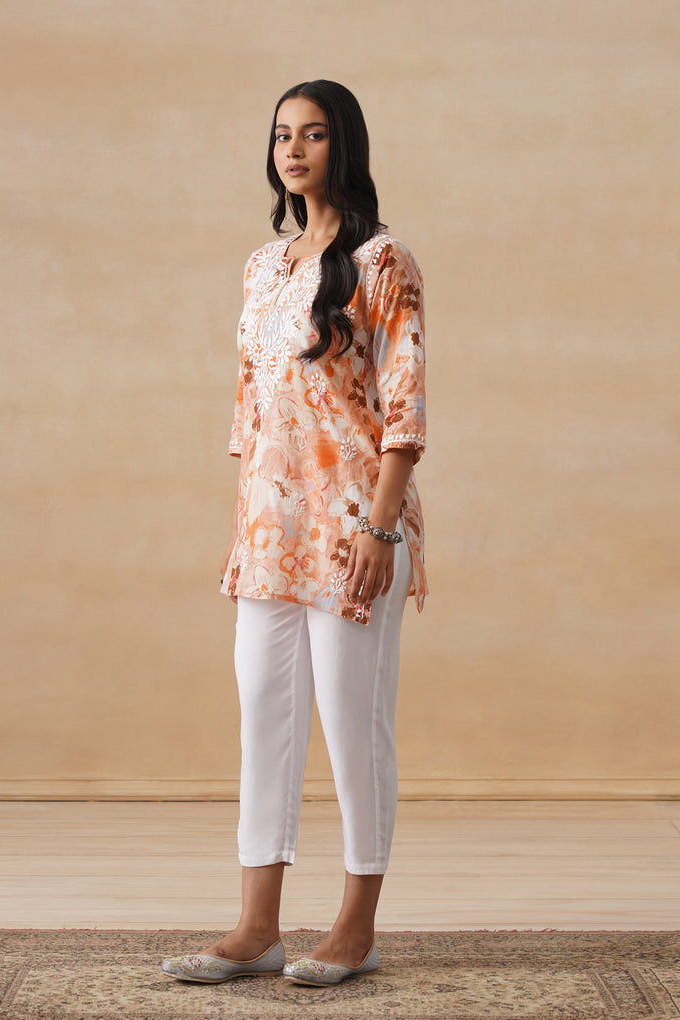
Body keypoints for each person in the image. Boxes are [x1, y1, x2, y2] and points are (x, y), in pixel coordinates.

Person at [162, 79, 426, 988]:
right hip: (271, 531)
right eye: (282, 135)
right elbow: (252, 411)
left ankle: (356, 927)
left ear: (342, 145)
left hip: (356, 524)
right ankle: (256, 929)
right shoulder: (263, 267)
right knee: (264, 722)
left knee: (355, 726)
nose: (294, 149)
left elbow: (405, 408)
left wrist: (381, 528)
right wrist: (246, 527)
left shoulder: (384, 261)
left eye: (312, 134)